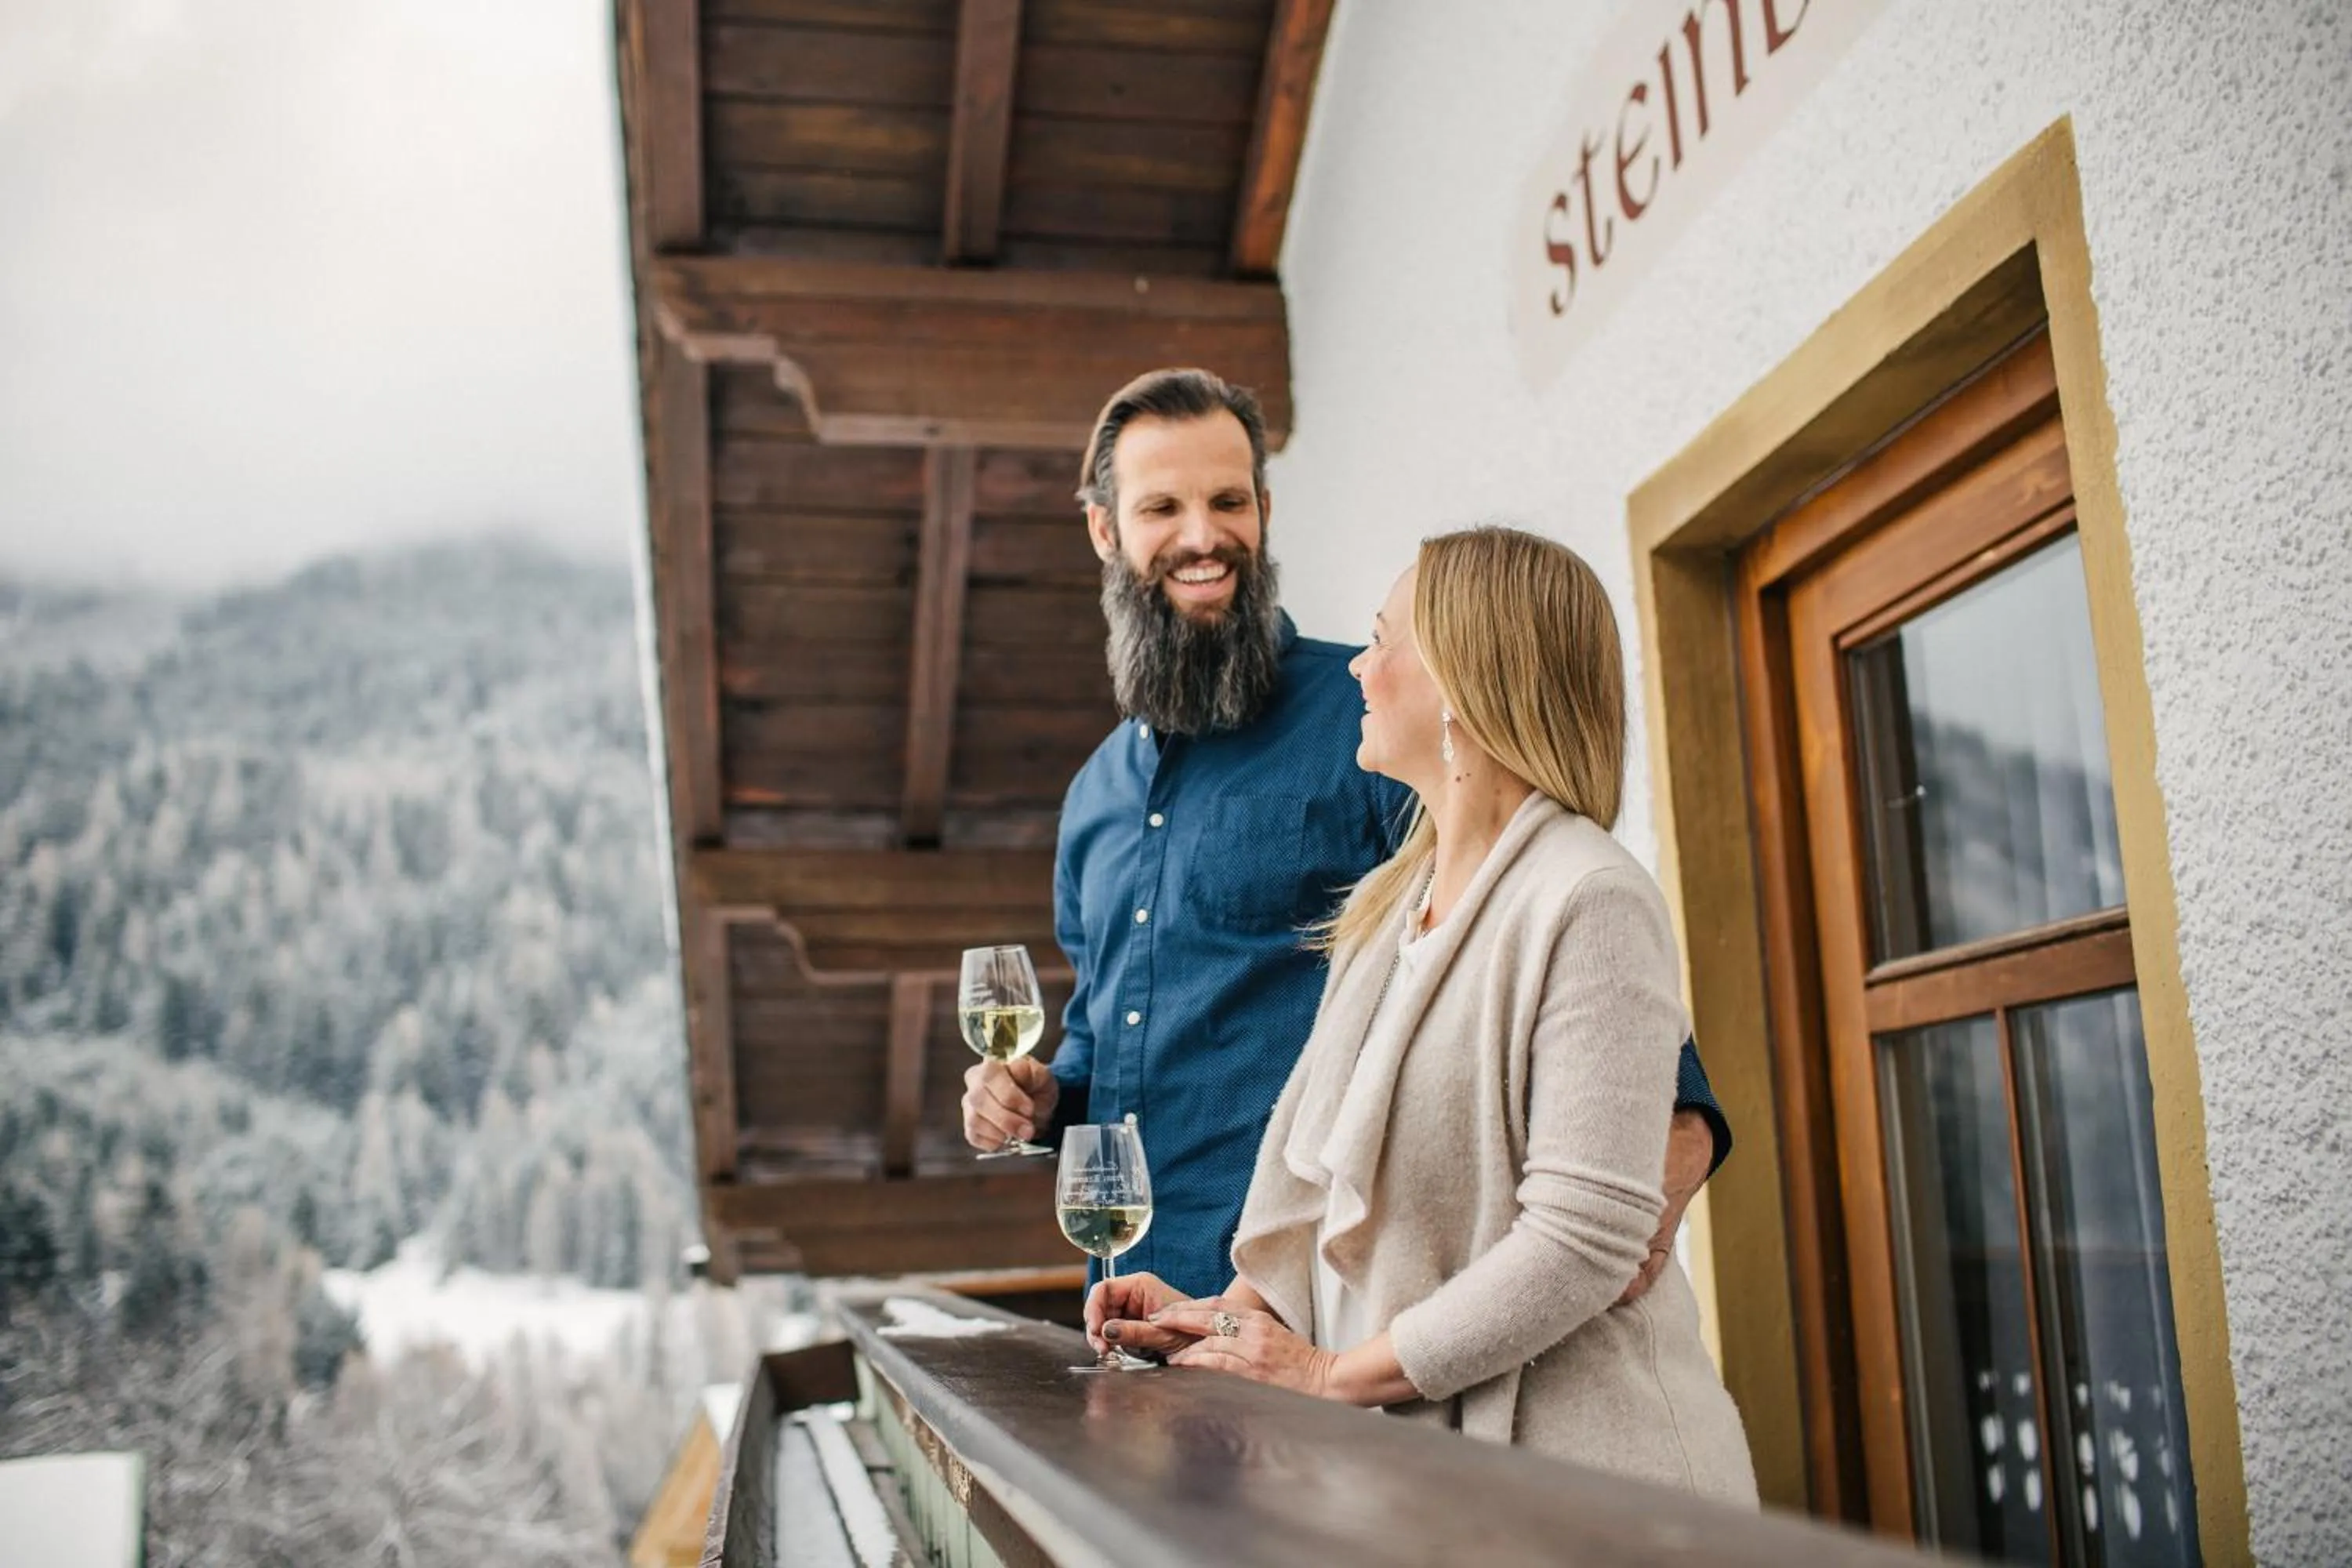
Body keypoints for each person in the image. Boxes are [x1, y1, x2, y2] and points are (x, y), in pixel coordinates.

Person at [960, 368, 1726, 1305]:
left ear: (1266, 510)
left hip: (1324, 1302)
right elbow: (1098, 1036)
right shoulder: (1091, 799)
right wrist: (1043, 1101)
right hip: (1138, 1294)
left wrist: (1679, 1117)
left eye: (1229, 500)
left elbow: (1533, 896)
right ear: (1105, 529)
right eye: (1164, 505)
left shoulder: (1372, 715)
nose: (1203, 536)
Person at [1089, 527, 1759, 1501]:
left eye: (1382, 637)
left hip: (1592, 1498)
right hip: (1424, 1491)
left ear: (1463, 674)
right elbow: (1325, 1205)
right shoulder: (1382, 915)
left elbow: (1582, 1243)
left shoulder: (1588, 896)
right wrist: (1222, 1322)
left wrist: (1325, 1377)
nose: (1358, 665)